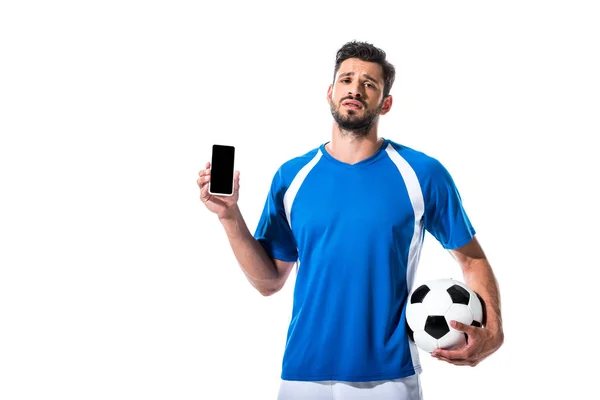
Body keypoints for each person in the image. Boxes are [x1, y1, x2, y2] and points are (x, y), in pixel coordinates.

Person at [197, 40, 504, 400]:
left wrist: (494, 332)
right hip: (302, 374)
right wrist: (230, 218)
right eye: (346, 80)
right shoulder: (292, 177)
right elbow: (269, 281)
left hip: (389, 377)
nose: (355, 89)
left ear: (385, 103)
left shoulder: (422, 174)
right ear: (330, 92)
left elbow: (472, 258)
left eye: (369, 84)